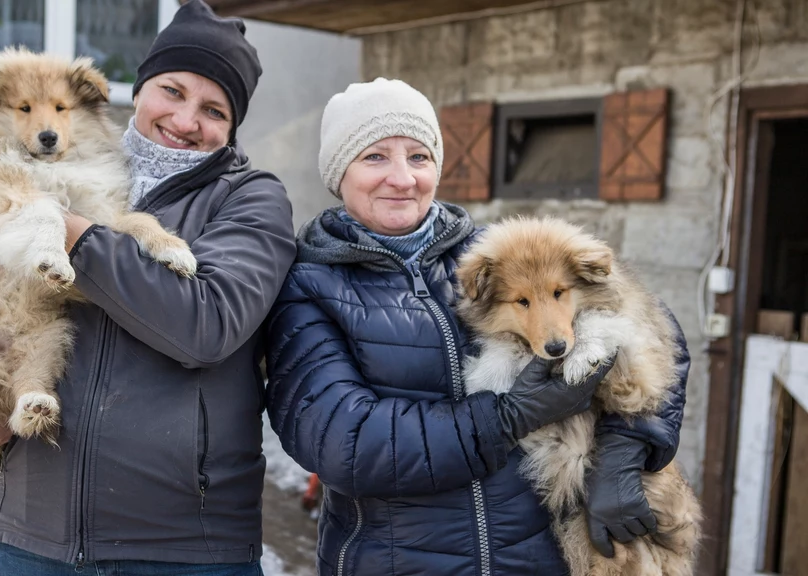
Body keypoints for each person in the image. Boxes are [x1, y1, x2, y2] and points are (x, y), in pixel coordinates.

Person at [0, 1, 296, 574]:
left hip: (181, 547)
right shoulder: (53, 157)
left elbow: (206, 326)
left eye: (213, 109)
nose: (185, 120)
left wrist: (69, 231)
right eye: (172, 92)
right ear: (140, 88)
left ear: (232, 126)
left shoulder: (250, 198)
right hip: (34, 534)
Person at [264, 78, 690, 575]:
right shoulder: (309, 286)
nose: (402, 178)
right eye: (375, 157)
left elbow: (656, 332)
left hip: (537, 558)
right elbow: (345, 443)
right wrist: (506, 417)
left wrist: (623, 450)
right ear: (339, 173)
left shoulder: (499, 255)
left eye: (419, 157)